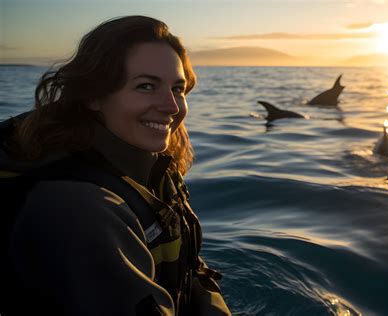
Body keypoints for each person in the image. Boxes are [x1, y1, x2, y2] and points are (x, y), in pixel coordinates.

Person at [0, 15, 231, 315]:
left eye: (178, 89)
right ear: (93, 95)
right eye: (146, 86)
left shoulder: (150, 170)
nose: (172, 107)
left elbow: (193, 272)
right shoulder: (78, 210)